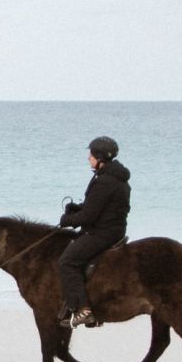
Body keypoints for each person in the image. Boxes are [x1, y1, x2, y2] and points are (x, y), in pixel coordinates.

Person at [57, 135, 130, 328]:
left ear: (100, 157)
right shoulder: (115, 178)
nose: (89, 158)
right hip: (113, 229)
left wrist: (67, 220)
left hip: (103, 233)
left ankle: (83, 310)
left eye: (91, 155)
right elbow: (98, 207)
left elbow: (89, 218)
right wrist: (78, 208)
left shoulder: (105, 181)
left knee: (67, 262)